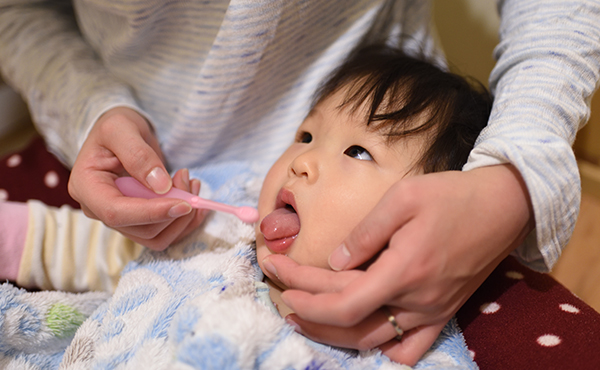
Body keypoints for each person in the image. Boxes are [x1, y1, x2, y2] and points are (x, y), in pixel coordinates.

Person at [0, 0, 598, 364]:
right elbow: (87, 249)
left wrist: (513, 179)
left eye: (358, 151)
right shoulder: (207, 221)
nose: (301, 161)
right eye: (306, 136)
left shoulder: (403, 338)